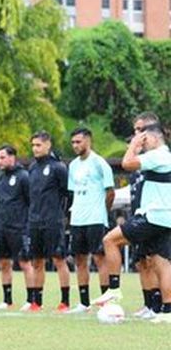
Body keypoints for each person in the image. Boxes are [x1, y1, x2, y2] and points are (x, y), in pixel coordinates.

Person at [93, 123, 171, 323]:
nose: (143, 144)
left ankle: (114, 288)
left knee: (110, 240)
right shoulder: (166, 157)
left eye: (145, 139)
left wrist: (134, 145)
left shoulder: (157, 155)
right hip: (165, 217)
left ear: (154, 138)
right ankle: (168, 311)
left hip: (152, 216)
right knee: (161, 263)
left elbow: (127, 163)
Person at [66, 128, 114, 313]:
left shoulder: (99, 163)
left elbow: (110, 192)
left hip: (96, 218)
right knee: (79, 260)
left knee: (100, 259)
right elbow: (73, 192)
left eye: (78, 142)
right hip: (77, 219)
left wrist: (103, 212)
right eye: (73, 142)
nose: (75, 145)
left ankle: (105, 303)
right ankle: (84, 303)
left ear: (88, 141)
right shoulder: (73, 165)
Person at [26, 131, 69, 313]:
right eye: (33, 145)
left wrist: (62, 215)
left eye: (38, 145)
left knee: (59, 259)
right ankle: (37, 302)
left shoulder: (58, 167)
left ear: (48, 145)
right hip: (34, 221)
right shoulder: (32, 168)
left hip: (53, 221)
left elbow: (68, 194)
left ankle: (65, 301)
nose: (35, 149)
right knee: (37, 262)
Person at [127, 113, 165, 319]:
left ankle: (158, 304)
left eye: (140, 130)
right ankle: (149, 303)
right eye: (135, 130)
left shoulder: (157, 158)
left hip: (155, 217)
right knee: (141, 261)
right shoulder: (142, 159)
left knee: (155, 261)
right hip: (139, 215)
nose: (137, 134)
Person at [0, 145, 33, 311]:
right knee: (3, 263)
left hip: (19, 227)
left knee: (24, 263)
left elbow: (30, 202)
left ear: (12, 157)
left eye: (2, 157)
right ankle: (7, 300)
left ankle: (31, 300)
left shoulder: (23, 177)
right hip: (2, 226)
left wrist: (27, 224)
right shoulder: (1, 177)